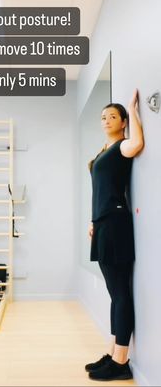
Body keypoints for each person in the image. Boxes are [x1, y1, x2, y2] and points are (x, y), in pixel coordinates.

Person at [85, 89, 144, 381]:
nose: (106, 120)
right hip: (104, 224)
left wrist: (133, 110)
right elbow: (99, 192)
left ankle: (121, 361)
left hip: (116, 224)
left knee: (120, 293)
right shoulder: (103, 152)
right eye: (103, 117)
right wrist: (93, 220)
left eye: (112, 116)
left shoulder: (121, 147)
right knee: (114, 293)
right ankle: (113, 352)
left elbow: (138, 143)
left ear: (122, 122)